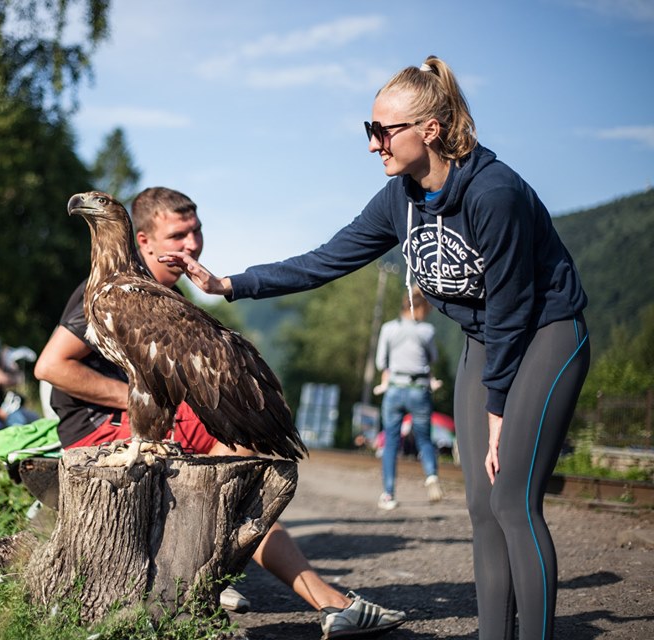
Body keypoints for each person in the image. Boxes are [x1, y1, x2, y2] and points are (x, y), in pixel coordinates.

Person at [162, 55, 591, 640]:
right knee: (481, 508)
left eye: (382, 131)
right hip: (484, 342)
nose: (372, 145)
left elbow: (515, 308)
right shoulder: (401, 199)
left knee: (514, 501)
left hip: (545, 334)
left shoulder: (494, 193)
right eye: (371, 130)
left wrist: (498, 410)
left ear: (430, 131)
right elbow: (324, 261)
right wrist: (230, 285)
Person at [34, 186, 407, 639]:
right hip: (98, 425)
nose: (191, 244)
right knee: (230, 447)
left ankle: (211, 570)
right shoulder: (114, 292)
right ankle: (238, 579)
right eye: (178, 235)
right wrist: (138, 397)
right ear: (143, 240)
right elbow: (51, 366)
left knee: (237, 454)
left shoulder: (162, 297)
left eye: (196, 232)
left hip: (142, 417)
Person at [374, 285, 442, 510]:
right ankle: (431, 476)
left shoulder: (388, 329)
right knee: (424, 438)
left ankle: (388, 494)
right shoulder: (427, 331)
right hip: (419, 389)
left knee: (391, 442)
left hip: (394, 389)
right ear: (421, 308)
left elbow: (381, 362)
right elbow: (433, 358)